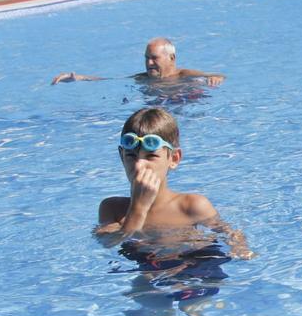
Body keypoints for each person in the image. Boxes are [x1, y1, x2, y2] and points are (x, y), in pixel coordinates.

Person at [95, 107, 252, 260]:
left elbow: (229, 233)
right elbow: (108, 243)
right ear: (121, 156)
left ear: (174, 158)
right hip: (149, 266)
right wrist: (138, 210)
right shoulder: (112, 208)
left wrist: (240, 248)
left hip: (196, 264)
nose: (139, 165)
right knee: (141, 284)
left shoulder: (191, 206)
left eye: (150, 156)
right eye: (131, 155)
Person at [52, 37, 225, 87]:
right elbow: (112, 80)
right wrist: (79, 78)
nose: (149, 63)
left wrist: (216, 78)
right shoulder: (143, 78)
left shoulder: (183, 75)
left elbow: (215, 75)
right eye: (146, 58)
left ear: (171, 58)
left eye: (154, 58)